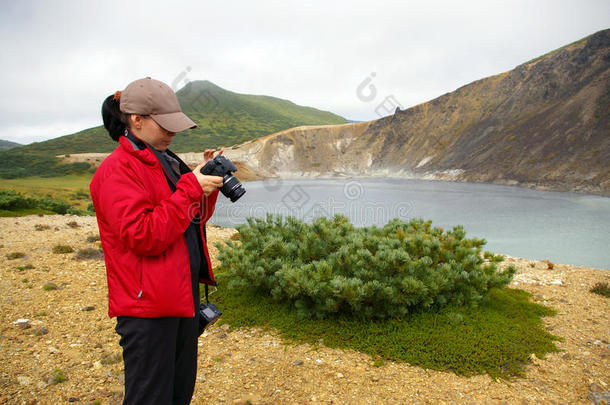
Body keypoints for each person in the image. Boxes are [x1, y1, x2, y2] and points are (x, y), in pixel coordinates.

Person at [90, 77, 224, 405]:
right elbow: (145, 236)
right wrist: (191, 188)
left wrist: (205, 186)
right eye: (164, 125)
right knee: (150, 398)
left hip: (180, 297)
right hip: (147, 308)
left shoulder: (166, 160)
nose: (172, 132)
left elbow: (187, 222)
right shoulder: (117, 170)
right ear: (136, 120)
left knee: (179, 393)